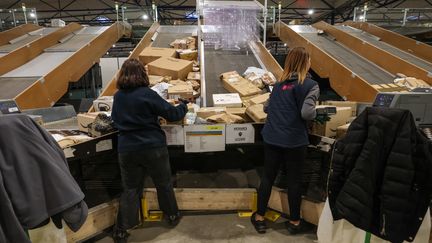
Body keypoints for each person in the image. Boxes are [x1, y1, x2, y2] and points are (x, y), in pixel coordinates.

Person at [111, 59, 188, 243]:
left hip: (127, 149)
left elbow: (115, 119)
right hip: (152, 147)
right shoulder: (148, 94)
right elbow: (172, 114)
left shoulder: (118, 96)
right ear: (142, 74)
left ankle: (121, 229)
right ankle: (171, 215)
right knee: (163, 183)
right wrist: (184, 105)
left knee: (130, 189)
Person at [251, 47, 320, 234]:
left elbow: (266, 108)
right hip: (294, 141)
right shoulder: (310, 85)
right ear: (306, 62)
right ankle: (295, 222)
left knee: (267, 177)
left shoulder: (279, 84)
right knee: (294, 181)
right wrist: (318, 112)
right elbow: (307, 113)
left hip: (272, 137)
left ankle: (259, 218)